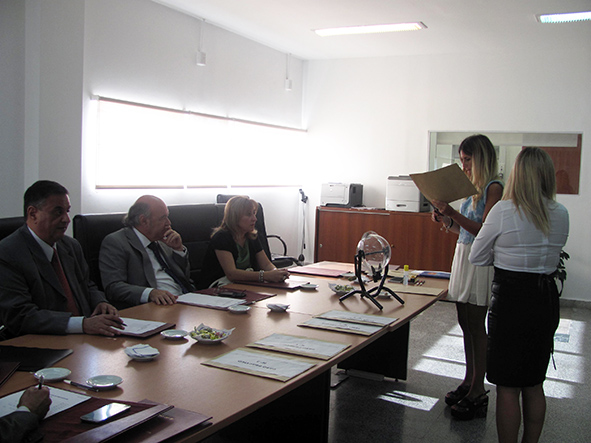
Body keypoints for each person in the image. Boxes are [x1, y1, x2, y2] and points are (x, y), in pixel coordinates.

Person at [470, 147, 569, 443]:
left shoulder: (503, 211)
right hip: (544, 299)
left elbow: (477, 256)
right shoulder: (561, 213)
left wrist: (502, 256)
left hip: (510, 301)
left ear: (517, 175)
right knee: (535, 383)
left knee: (508, 386)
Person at [431, 134, 503, 420]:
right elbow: (461, 230)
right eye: (461, 160)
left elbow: (483, 231)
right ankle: (469, 379)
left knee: (475, 323)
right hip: (463, 255)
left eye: (468, 160)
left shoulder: (493, 188)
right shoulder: (472, 189)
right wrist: (445, 218)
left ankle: (478, 390)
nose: (464, 166)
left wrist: (453, 214)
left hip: (480, 260)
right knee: (464, 322)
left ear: (481, 158)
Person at [0, 180, 123, 338]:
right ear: (33, 214)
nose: (66, 219)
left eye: (67, 211)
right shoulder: (8, 253)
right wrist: (82, 324)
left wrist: (100, 302)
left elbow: (87, 285)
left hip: (85, 338)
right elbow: (20, 316)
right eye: (58, 212)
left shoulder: (71, 246)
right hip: (41, 342)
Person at [99, 195, 195, 308]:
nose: (168, 223)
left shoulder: (163, 239)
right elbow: (113, 287)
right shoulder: (116, 242)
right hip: (156, 306)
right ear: (143, 220)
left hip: (185, 300)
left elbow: (185, 278)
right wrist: (150, 293)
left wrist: (178, 250)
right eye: (163, 218)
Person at [199, 196, 289, 288]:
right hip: (218, 286)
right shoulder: (221, 237)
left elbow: (266, 264)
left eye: (254, 214)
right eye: (249, 215)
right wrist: (265, 276)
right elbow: (231, 274)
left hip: (245, 284)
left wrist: (276, 273)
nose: (254, 219)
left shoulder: (252, 236)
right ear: (235, 217)